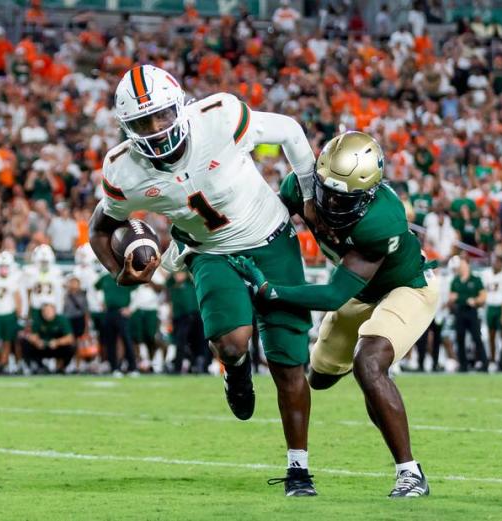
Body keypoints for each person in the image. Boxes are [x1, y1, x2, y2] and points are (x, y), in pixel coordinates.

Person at [88, 65, 318, 495]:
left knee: (289, 363)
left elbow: (289, 130)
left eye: (160, 115)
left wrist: (308, 195)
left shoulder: (220, 115)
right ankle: (235, 369)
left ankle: (298, 468)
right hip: (208, 251)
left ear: (180, 105)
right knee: (232, 343)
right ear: (127, 127)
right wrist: (120, 273)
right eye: (142, 122)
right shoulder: (124, 169)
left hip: (271, 239)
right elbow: (99, 229)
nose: (155, 129)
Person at [229, 132, 438, 498]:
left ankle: (410, 473)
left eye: (344, 198)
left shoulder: (382, 218)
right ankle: (374, 391)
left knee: (369, 364)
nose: (330, 204)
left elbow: (332, 294)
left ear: (369, 193)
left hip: (405, 288)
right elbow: (267, 228)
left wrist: (270, 291)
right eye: (325, 191)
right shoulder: (301, 187)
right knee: (319, 378)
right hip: (359, 294)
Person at [449, 257, 488, 372]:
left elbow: (482, 297)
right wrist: (467, 299)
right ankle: (463, 365)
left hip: (472, 312)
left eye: (462, 265)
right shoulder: (455, 280)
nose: (461, 268)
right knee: (460, 338)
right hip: (459, 311)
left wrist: (473, 300)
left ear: (467, 266)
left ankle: (484, 363)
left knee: (477, 338)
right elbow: (451, 297)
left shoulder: (476, 280)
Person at [94, 272, 136, 376]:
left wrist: (131, 308)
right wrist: (100, 301)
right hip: (109, 312)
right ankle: (114, 368)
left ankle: (132, 368)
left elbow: (138, 292)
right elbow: (94, 289)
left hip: (122, 312)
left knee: (127, 340)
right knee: (110, 341)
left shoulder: (127, 276)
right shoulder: (105, 278)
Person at [167, 270, 206, 373]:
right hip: (179, 317)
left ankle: (199, 367)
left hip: (194, 315)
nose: (178, 276)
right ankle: (177, 368)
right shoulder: (171, 284)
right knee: (180, 343)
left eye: (181, 273)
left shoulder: (190, 282)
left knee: (197, 342)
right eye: (176, 274)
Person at [20, 302, 76, 373]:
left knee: (72, 347)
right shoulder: (38, 319)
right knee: (25, 343)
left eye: (49, 311)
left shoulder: (62, 319)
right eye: (44, 311)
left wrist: (57, 342)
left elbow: (70, 338)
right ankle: (38, 367)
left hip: (56, 348)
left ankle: (61, 368)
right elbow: (32, 336)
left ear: (54, 311)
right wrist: (37, 342)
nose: (46, 313)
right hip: (42, 348)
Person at [481, 256, 502, 369]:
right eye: (495, 262)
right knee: (491, 335)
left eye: (498, 262)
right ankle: (493, 359)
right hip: (490, 306)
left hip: (501, 307)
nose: (496, 264)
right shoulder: (486, 274)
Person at [130, 273, 164, 372]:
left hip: (152, 309)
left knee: (151, 336)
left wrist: (148, 279)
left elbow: (160, 288)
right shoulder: (135, 271)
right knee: (137, 338)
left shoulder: (157, 273)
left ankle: (152, 360)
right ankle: (141, 361)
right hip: (138, 309)